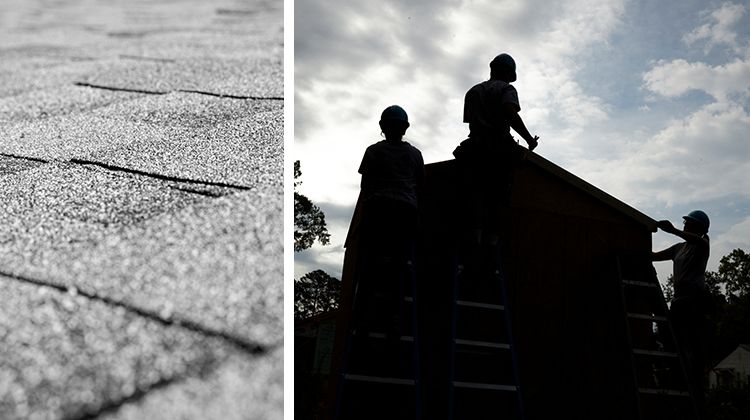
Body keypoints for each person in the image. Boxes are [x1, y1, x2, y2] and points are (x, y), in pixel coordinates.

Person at [353, 105, 424, 375]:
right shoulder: (415, 154)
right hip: (404, 213)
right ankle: (394, 322)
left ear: (383, 126)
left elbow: (365, 186)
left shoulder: (373, 151)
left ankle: (363, 323)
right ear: (404, 128)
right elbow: (420, 184)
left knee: (370, 266)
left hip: (379, 210)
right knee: (397, 268)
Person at [453, 53, 539, 265]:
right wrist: (528, 139)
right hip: (497, 149)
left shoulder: (473, 91)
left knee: (475, 195)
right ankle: (490, 248)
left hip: (474, 150)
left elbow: (471, 123)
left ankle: (473, 241)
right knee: (498, 198)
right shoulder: (506, 90)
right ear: (509, 73)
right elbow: (509, 112)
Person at [652, 210, 711, 417]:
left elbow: (691, 238)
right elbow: (654, 256)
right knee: (671, 341)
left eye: (690, 223)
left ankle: (695, 387)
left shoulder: (702, 245)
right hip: (678, 302)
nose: (686, 225)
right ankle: (677, 379)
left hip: (694, 302)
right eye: (685, 223)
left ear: (700, 228)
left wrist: (673, 230)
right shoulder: (679, 249)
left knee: (692, 345)